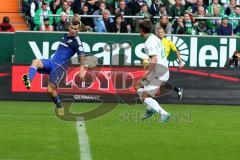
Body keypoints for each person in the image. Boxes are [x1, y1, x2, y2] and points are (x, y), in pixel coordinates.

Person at [22, 19, 85, 115]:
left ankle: (59, 105)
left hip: (59, 67)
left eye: (75, 29)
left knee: (50, 90)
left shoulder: (77, 42)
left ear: (78, 30)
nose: (73, 30)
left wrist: (81, 71)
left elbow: (82, 57)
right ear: (69, 27)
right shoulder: (65, 36)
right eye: (72, 28)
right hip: (51, 62)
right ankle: (28, 81)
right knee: (35, 62)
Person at [136, 19, 171, 123]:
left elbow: (154, 60)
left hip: (159, 72)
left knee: (144, 95)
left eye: (139, 29)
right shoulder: (154, 38)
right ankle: (150, 109)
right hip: (162, 70)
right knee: (138, 87)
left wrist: (147, 73)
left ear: (141, 30)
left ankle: (164, 113)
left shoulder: (149, 42)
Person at [156, 27, 184, 99]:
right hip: (156, 62)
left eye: (161, 32)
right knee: (162, 83)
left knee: (158, 81)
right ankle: (177, 89)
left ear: (164, 33)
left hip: (163, 63)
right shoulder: (154, 42)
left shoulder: (168, 42)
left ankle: (146, 95)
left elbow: (176, 51)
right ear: (156, 33)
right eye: (159, 32)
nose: (160, 33)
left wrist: (180, 62)